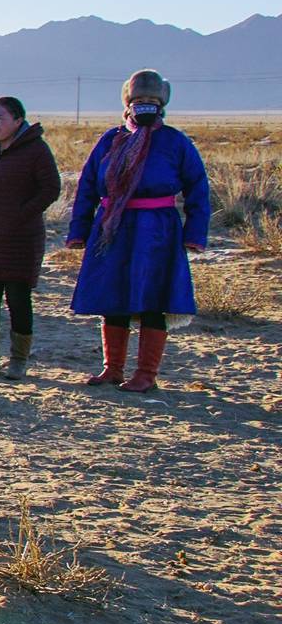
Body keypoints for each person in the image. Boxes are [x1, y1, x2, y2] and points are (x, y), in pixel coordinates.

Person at [66, 70, 209, 393]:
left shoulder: (175, 142)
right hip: (112, 229)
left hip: (157, 231)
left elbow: (198, 188)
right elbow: (88, 186)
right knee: (113, 298)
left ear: (162, 104)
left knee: (152, 299)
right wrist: (80, 230)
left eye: (152, 101)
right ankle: (112, 368)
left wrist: (194, 233)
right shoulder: (110, 140)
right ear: (127, 103)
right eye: (139, 100)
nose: (145, 106)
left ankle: (146, 374)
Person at [0, 96, 61, 379]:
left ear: (18, 121)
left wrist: (23, 213)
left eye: (0, 118)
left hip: (21, 237)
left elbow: (51, 187)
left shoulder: (36, 150)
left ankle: (18, 360)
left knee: (18, 299)